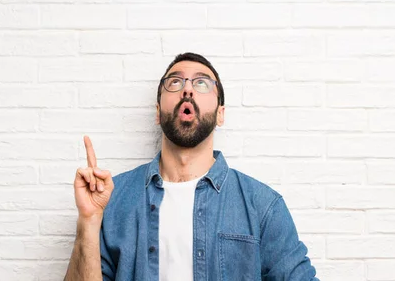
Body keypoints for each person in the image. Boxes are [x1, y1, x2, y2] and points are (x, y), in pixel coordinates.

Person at [64, 52, 319, 280]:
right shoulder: (113, 198)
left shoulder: (263, 206)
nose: (187, 90)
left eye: (201, 83)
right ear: (157, 112)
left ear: (221, 113)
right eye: (175, 82)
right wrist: (88, 220)